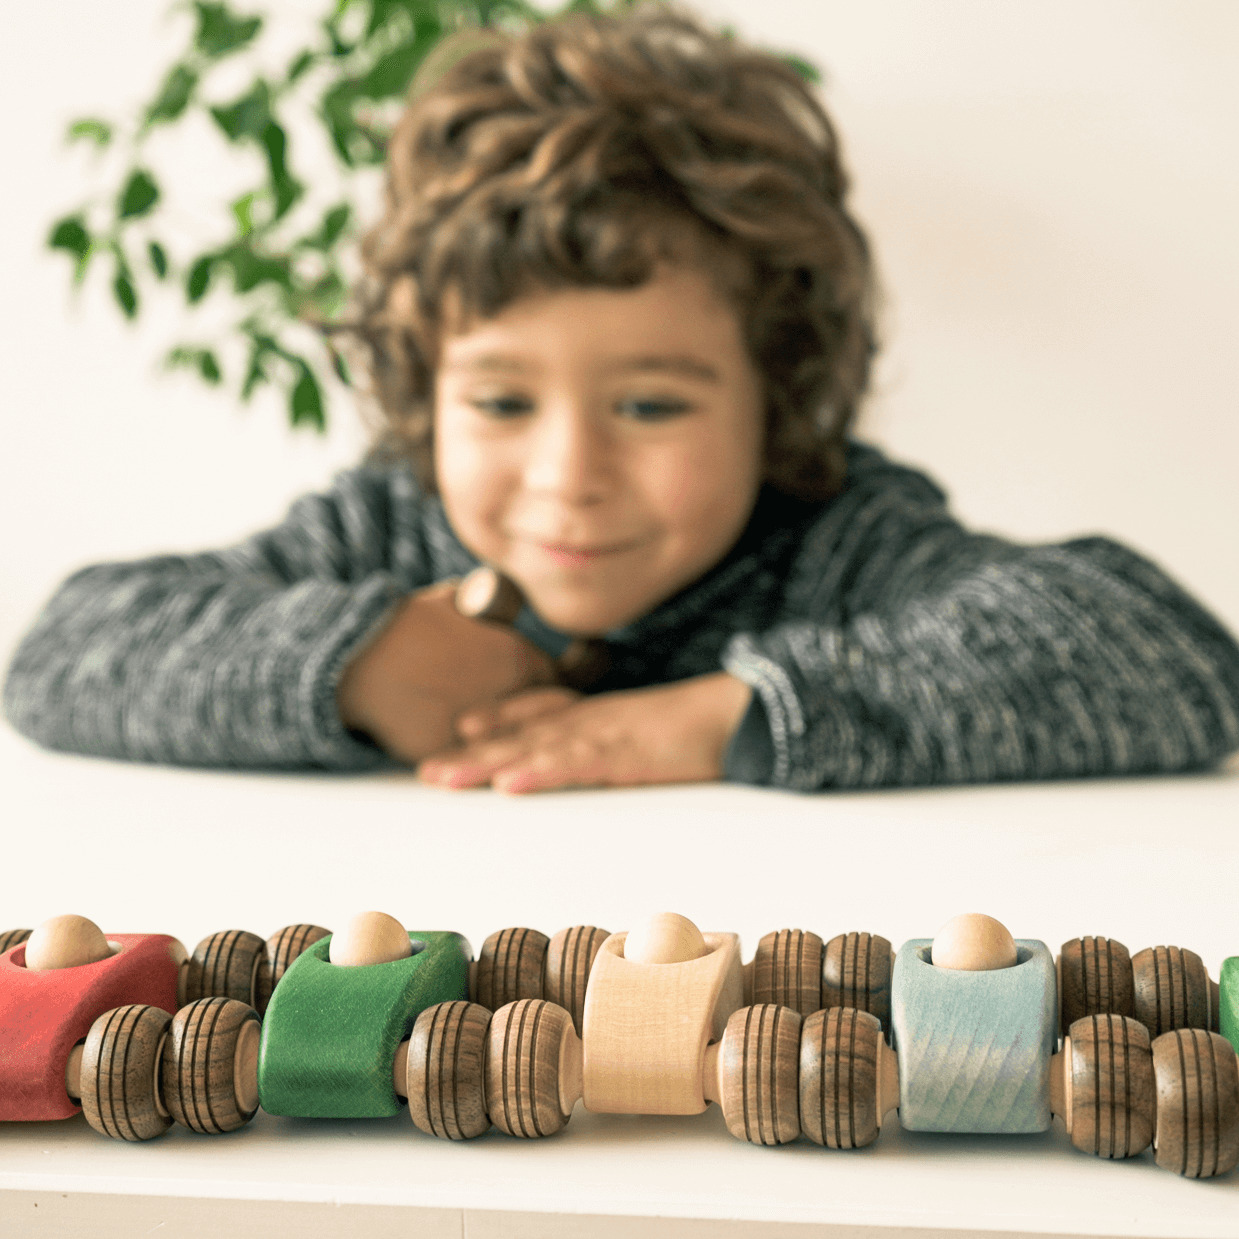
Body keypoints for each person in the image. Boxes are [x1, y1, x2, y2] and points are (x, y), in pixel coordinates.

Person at [5, 6, 1239, 793]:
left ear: (781, 393)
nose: (567, 477)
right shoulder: (389, 536)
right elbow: (62, 655)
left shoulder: (831, 543)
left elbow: (1169, 657)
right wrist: (358, 666)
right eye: (498, 404)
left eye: (650, 407)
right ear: (422, 390)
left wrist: (729, 716)